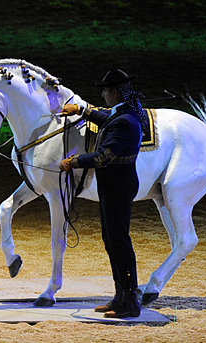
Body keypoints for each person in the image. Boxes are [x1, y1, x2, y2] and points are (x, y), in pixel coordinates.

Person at [59, 69, 145, 318]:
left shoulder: (125, 122)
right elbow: (105, 118)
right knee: (111, 240)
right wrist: (82, 110)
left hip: (118, 186)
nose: (103, 95)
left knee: (119, 242)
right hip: (112, 186)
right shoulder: (121, 115)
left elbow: (104, 157)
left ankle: (129, 301)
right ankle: (121, 296)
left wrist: (73, 161)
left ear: (115, 93)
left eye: (106, 92)